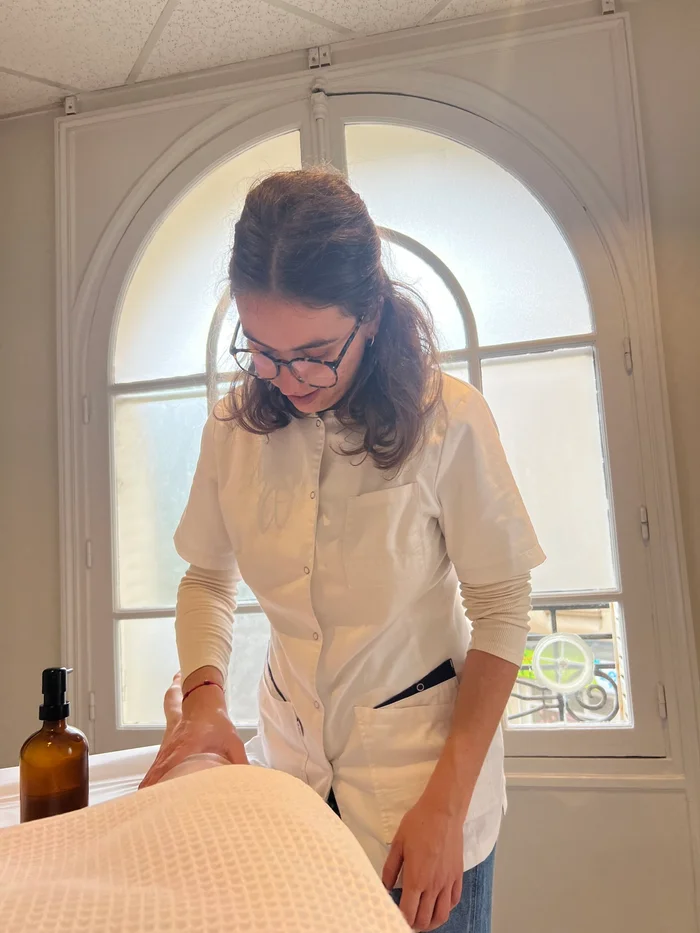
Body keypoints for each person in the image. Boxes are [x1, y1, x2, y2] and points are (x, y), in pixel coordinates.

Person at [141, 168, 545, 933]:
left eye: (316, 352)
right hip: (294, 776)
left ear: (371, 314)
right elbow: (206, 578)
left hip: (424, 792)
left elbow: (500, 607)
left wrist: (447, 804)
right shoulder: (233, 429)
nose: (289, 379)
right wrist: (202, 700)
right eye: (262, 350)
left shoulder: (447, 419)